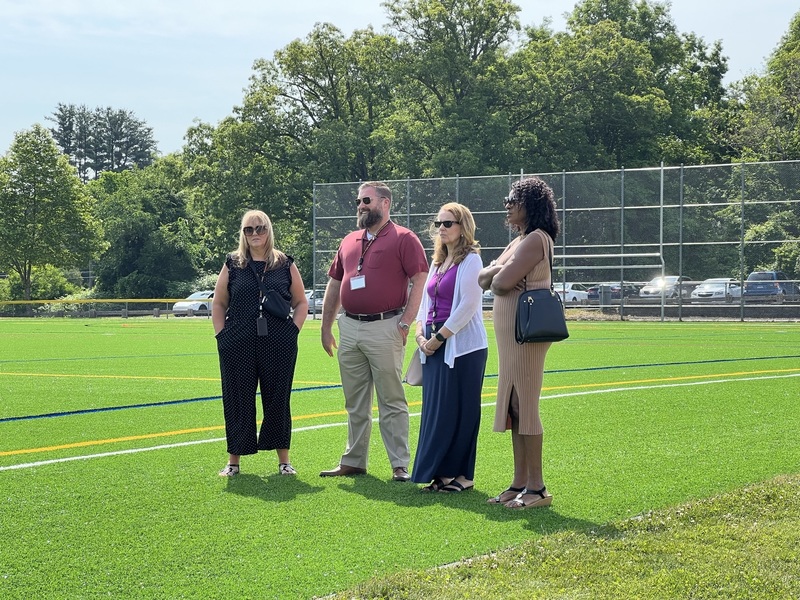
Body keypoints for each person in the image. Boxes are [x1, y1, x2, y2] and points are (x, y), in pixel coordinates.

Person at [320, 181, 429, 481]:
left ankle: (399, 465)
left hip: (386, 327)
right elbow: (335, 283)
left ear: (385, 203)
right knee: (355, 401)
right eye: (358, 201)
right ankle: (353, 460)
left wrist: (406, 321)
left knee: (391, 399)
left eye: (366, 200)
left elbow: (420, 278)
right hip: (350, 327)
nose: (360, 206)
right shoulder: (349, 240)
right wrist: (326, 325)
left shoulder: (405, 238)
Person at [478, 177, 560, 509]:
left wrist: (500, 273)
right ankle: (519, 482)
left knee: (525, 406)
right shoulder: (520, 240)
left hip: (525, 336)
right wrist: (500, 270)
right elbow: (484, 278)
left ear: (530, 204)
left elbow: (499, 285)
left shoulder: (536, 239)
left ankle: (538, 488)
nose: (507, 205)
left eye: (513, 199)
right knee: (514, 407)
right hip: (511, 337)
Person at [212, 210, 308, 477]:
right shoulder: (233, 263)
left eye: (260, 228)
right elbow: (219, 303)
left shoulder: (284, 263)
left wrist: (293, 331)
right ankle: (234, 462)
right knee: (237, 399)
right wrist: (222, 336)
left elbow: (301, 302)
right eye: (249, 229)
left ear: (269, 230)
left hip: (278, 342)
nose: (255, 234)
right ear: (242, 234)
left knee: (278, 398)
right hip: (237, 342)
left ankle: (284, 461)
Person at [411, 203, 488, 493]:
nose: (441, 228)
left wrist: (439, 338)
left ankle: (463, 476)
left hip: (462, 346)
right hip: (432, 343)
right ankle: (442, 473)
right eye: (438, 223)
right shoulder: (437, 261)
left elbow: (468, 306)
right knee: (439, 410)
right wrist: (421, 337)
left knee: (463, 410)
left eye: (448, 223)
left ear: (463, 226)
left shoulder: (472, 261)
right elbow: (423, 304)